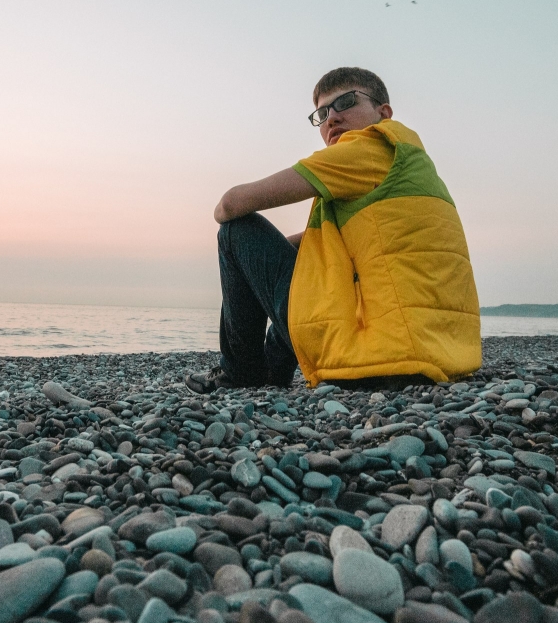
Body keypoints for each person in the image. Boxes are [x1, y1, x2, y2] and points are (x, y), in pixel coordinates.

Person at [185, 67, 482, 393]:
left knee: (236, 231)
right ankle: (271, 376)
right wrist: (270, 259)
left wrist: (249, 255)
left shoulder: (368, 148)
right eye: (322, 113)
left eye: (346, 102)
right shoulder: (406, 160)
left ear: (383, 113)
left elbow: (230, 205)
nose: (332, 118)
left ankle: (239, 374)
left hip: (379, 358)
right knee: (307, 284)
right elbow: (338, 240)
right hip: (436, 355)